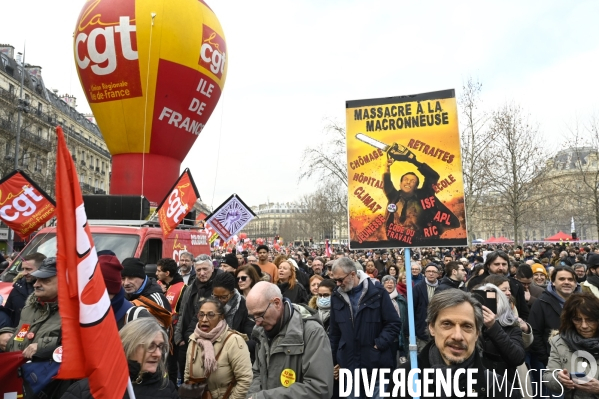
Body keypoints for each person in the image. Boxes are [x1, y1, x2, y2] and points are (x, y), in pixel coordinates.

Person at [407, 289, 518, 398]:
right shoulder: (405, 378)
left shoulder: (498, 388)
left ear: (477, 334)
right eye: (447, 324)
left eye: (467, 326)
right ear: (432, 328)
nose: (457, 336)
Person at [246, 282, 334, 398]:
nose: (257, 322)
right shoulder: (261, 331)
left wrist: (263, 397)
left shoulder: (312, 332)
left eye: (260, 314)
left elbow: (319, 388)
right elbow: (257, 372)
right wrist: (252, 396)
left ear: (277, 303)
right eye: (253, 316)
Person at [329, 257, 401, 398]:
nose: (338, 284)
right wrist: (334, 361)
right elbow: (335, 333)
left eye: (340, 279)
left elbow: (394, 323)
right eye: (335, 280)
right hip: (349, 368)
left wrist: (378, 344)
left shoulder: (377, 292)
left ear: (352, 274)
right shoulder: (336, 297)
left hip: (376, 367)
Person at [63, 318, 179, 398]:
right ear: (129, 346)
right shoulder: (87, 389)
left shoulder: (167, 389)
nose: (158, 354)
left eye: (160, 346)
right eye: (150, 346)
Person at [6, 257, 71, 397]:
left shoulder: (75, 312)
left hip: (47, 387)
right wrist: (6, 335)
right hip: (19, 382)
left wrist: (42, 346)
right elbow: (22, 332)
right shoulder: (31, 307)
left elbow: (78, 346)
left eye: (45, 280)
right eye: (36, 279)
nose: (36, 284)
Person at [382, 144, 460, 243]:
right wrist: (387, 167)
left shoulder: (424, 195)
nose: (408, 182)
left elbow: (433, 176)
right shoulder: (394, 197)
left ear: (416, 186)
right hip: (398, 242)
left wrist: (412, 161)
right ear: (400, 184)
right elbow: (387, 184)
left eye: (412, 181)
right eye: (405, 179)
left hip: (423, 241)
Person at [184, 298, 252, 399]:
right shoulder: (194, 340)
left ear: (221, 317)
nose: (204, 319)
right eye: (201, 315)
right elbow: (187, 376)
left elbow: (245, 379)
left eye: (211, 315)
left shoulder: (233, 341)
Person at [175, 254, 222, 387]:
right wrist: (178, 337)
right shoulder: (191, 287)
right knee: (188, 383)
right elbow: (182, 312)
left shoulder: (218, 288)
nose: (202, 273)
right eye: (198, 270)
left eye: (205, 269)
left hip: (208, 341)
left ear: (212, 268)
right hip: (186, 341)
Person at [544, 292, 599, 399]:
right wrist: (559, 378)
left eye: (590, 320)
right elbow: (548, 376)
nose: (584, 326)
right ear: (570, 320)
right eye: (577, 319)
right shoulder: (560, 342)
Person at [472, 282, 526, 383]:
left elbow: (518, 358)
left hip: (502, 385)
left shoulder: (511, 327)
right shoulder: (471, 327)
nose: (486, 307)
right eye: (482, 303)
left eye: (491, 302)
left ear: (501, 303)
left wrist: (493, 327)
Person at [467, 251, 529, 321]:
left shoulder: (516, 284)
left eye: (504, 264)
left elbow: (524, 312)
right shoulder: (475, 282)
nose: (501, 267)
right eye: (497, 264)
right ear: (488, 265)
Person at [98, 250, 152, 329]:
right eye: (123, 278)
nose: (126, 283)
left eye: (131, 278)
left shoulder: (138, 316)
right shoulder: (83, 312)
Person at [3, 252, 46, 326]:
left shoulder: (50, 291)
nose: (24, 273)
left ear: (41, 269)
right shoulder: (17, 288)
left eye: (28, 269)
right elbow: (8, 314)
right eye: (23, 269)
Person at [381, 275, 409, 366]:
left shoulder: (401, 299)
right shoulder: (379, 299)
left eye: (391, 282)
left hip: (399, 334)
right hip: (385, 334)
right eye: (387, 282)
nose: (389, 284)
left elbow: (405, 316)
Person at [413, 263, 439, 351]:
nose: (431, 274)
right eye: (428, 271)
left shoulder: (442, 287)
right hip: (422, 329)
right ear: (425, 273)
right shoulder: (417, 288)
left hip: (438, 328)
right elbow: (413, 309)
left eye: (433, 272)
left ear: (438, 274)